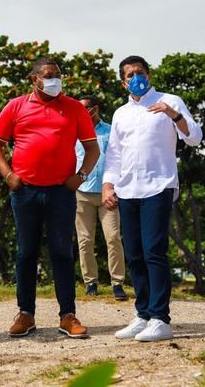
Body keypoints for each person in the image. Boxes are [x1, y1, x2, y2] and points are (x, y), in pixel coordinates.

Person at [0, 57, 99, 339]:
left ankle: (68, 315)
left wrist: (81, 176)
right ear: (34, 79)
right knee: (26, 253)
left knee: (62, 252)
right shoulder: (16, 106)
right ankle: (26, 313)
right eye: (49, 75)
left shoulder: (74, 108)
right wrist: (8, 175)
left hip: (62, 191)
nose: (55, 80)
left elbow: (92, 148)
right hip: (25, 191)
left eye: (58, 75)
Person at [103, 55, 202, 342]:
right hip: (127, 189)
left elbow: (194, 137)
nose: (136, 77)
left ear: (149, 75)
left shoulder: (171, 101)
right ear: (123, 82)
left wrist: (175, 115)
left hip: (159, 186)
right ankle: (143, 313)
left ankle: (160, 318)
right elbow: (114, 155)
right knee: (133, 254)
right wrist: (109, 186)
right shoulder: (121, 113)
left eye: (140, 72)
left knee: (153, 251)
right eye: (130, 74)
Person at [74, 95, 127, 300]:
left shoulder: (111, 130)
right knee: (85, 240)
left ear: (95, 109)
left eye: (85, 108)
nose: (82, 111)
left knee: (113, 238)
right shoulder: (75, 132)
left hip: (108, 193)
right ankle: (90, 282)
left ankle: (117, 283)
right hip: (82, 193)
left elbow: (119, 159)